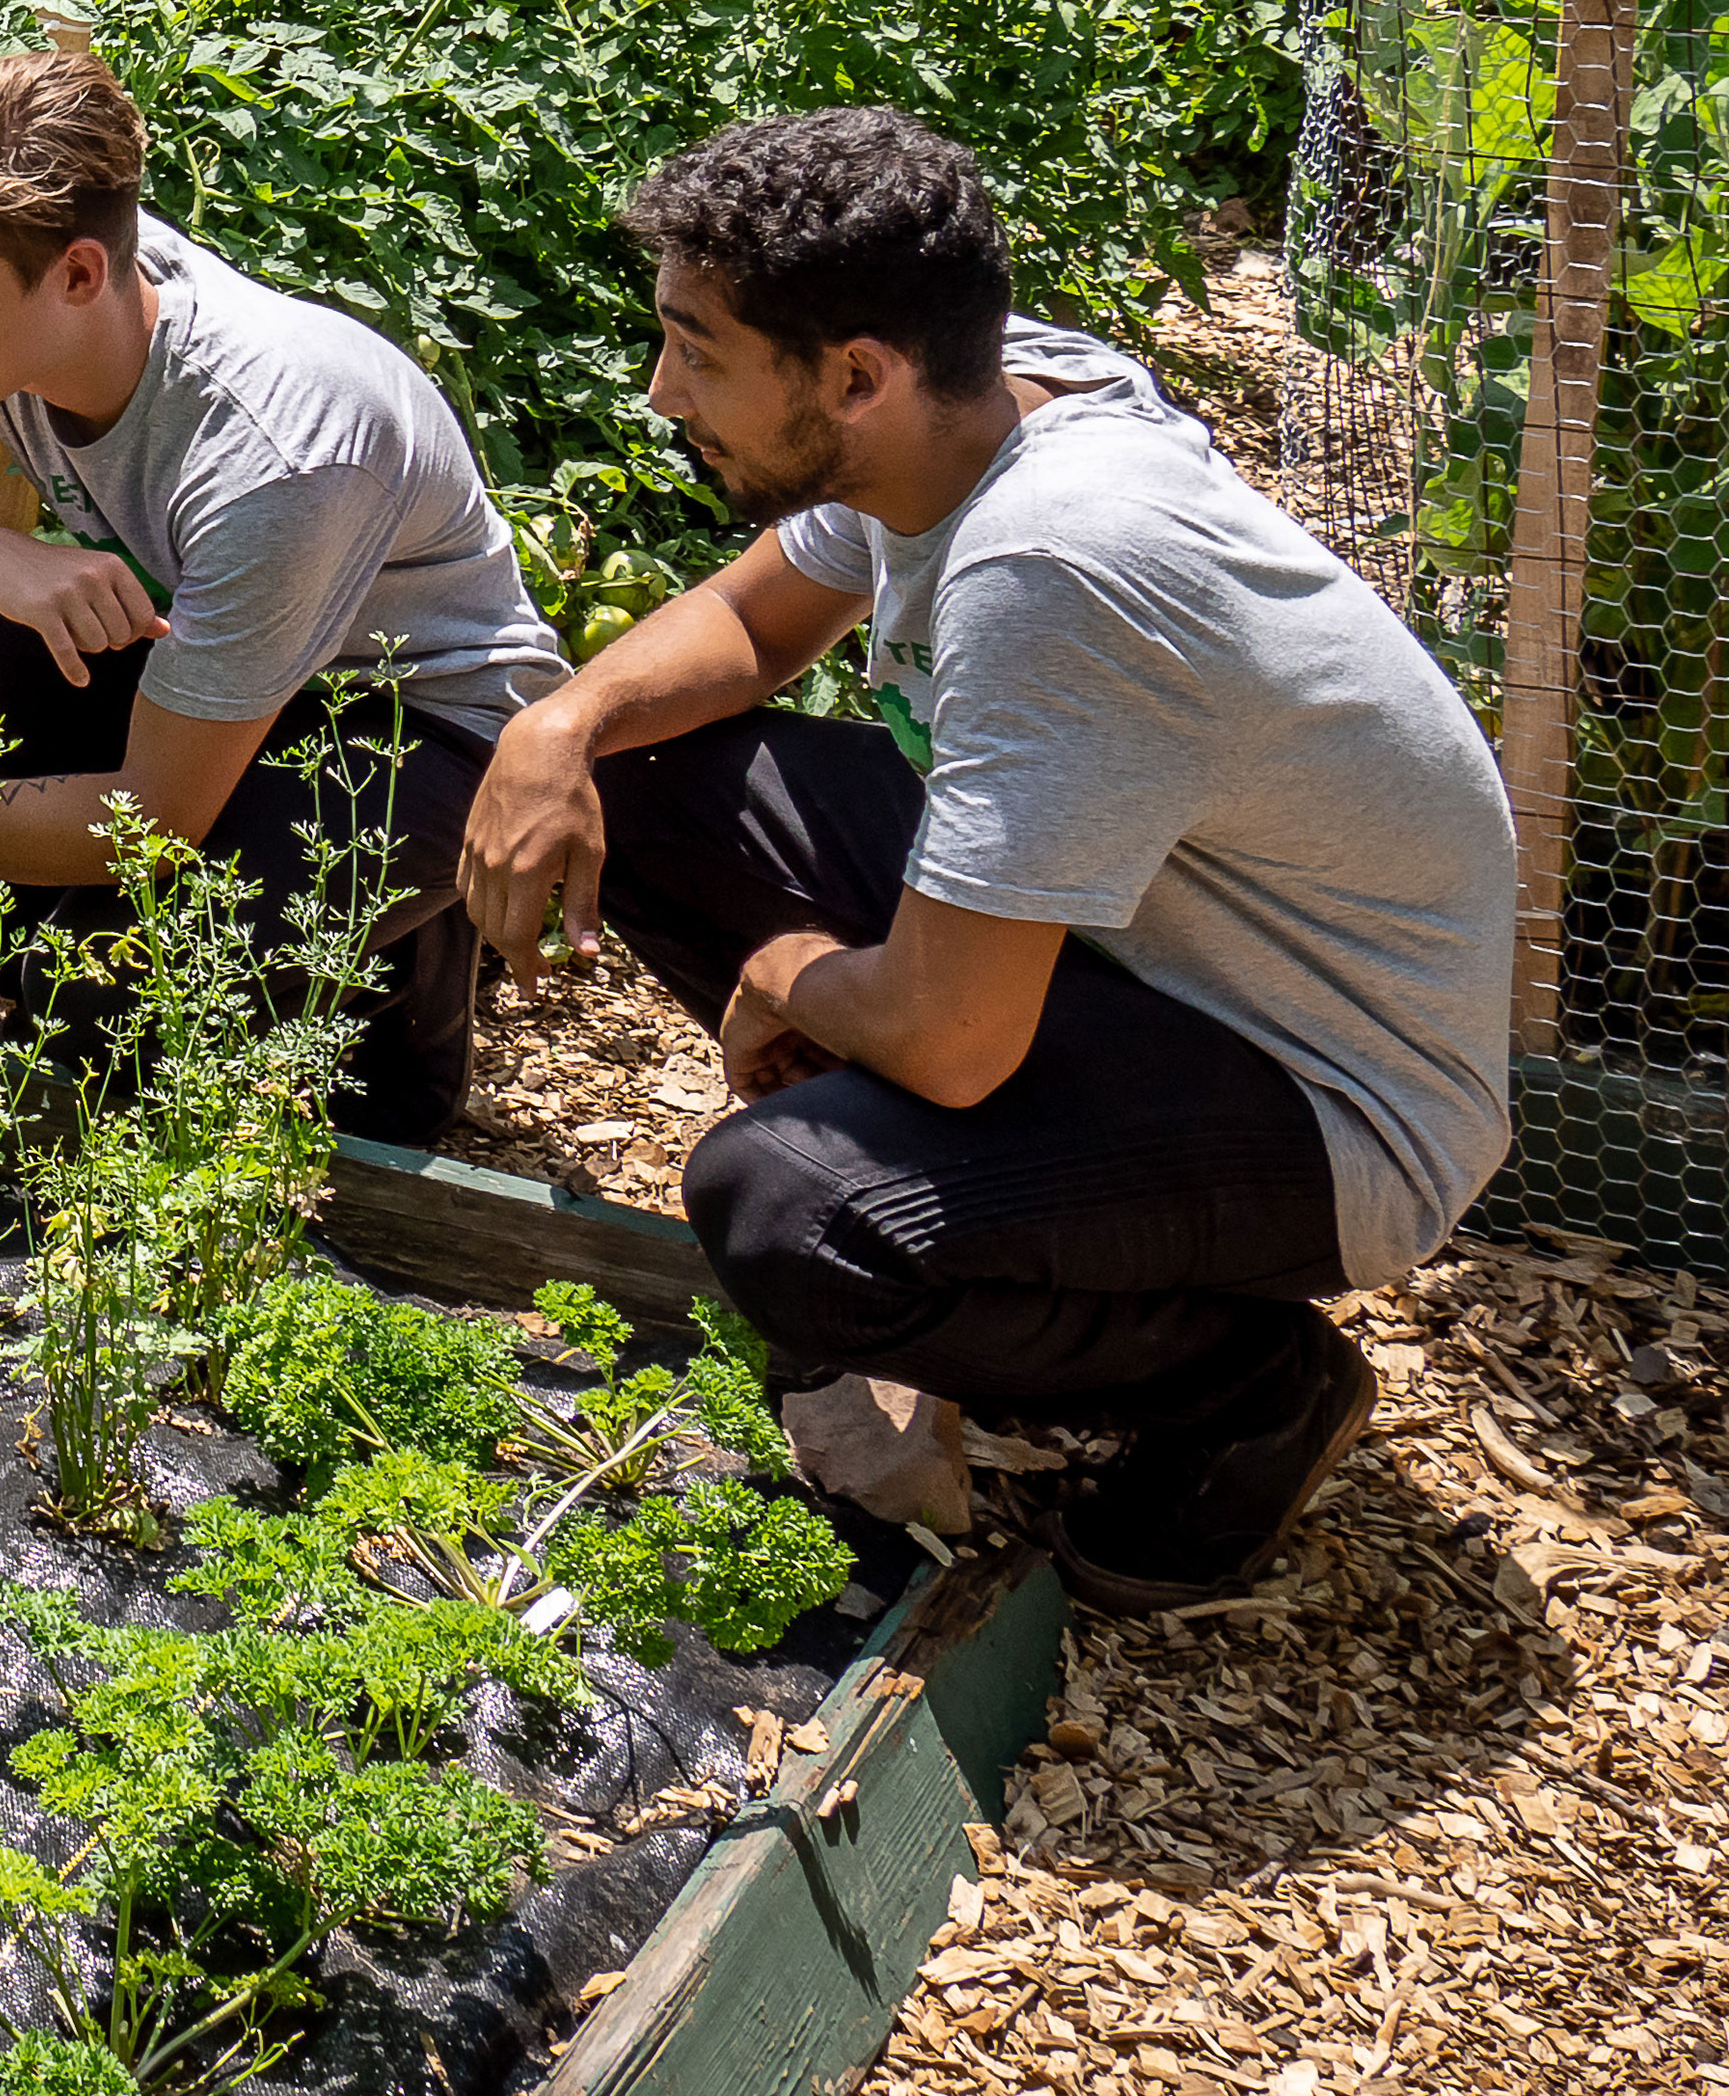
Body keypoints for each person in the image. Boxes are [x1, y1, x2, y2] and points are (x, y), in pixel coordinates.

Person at [464, 111, 1512, 1614]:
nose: (659, 389)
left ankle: (1246, 1385)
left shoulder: (1048, 564)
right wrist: (556, 727)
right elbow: (758, 629)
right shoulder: (974, 395)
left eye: (695, 350)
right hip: (1145, 958)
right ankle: (996, 1240)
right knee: (634, 771)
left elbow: (955, 1044)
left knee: (785, 1211)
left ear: (855, 375)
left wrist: (791, 976)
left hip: (1333, 1094)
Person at [0, 46, 566, 1140]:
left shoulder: (279, 448)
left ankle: (399, 983)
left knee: (94, 989)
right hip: (207, 663)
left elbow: (147, 826)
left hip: (416, 722)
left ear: (80, 274)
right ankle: (124, 956)